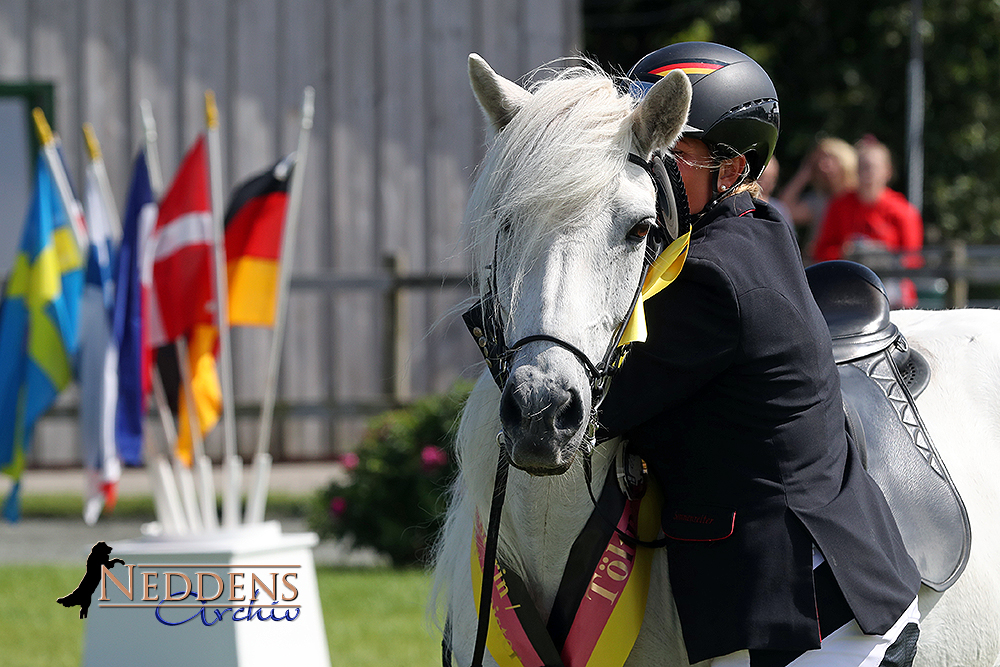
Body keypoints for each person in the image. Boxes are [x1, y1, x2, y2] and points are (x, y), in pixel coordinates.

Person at [601, 42, 921, 667]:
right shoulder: (758, 225)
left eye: (670, 156)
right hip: (816, 593)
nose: (644, 173)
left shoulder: (712, 277)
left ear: (731, 168)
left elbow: (604, 405)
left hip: (817, 620)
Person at [812, 136, 923, 307]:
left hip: (893, 295)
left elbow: (913, 261)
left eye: (871, 168)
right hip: (848, 290)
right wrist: (846, 252)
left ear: (887, 171)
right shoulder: (839, 206)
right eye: (862, 167)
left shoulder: (903, 211)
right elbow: (821, 252)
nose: (866, 173)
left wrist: (882, 256)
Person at [779, 137, 859, 262]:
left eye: (830, 158)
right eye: (819, 161)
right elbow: (784, 209)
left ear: (845, 160)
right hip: (821, 262)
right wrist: (804, 173)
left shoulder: (859, 197)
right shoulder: (819, 199)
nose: (823, 165)